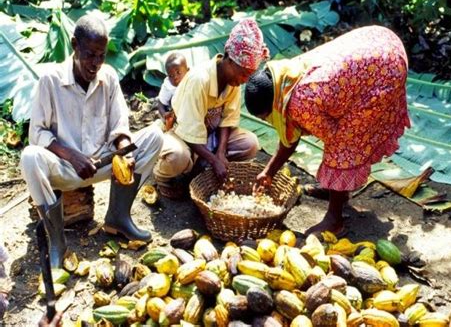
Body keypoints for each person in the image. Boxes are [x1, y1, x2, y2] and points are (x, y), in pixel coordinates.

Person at [20, 14, 164, 269]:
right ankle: (57, 243)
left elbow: (120, 126)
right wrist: (71, 155)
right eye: (89, 54)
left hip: (104, 161)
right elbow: (37, 133)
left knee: (154, 136)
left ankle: (118, 217)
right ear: (75, 45)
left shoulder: (107, 78)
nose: (96, 63)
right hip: (66, 167)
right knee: (30, 157)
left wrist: (124, 152)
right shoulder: (50, 80)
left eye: (101, 55)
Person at [245, 25, 410, 236]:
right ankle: (336, 190)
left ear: (272, 105)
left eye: (264, 117)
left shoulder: (300, 102)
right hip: (379, 42)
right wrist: (269, 172)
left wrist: (336, 172)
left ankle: (335, 218)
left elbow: (335, 142)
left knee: (342, 147)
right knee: (340, 144)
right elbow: (291, 133)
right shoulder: (284, 78)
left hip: (383, 70)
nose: (267, 121)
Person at [153, 19, 269, 189]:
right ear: (229, 60)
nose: (244, 81)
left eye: (248, 75)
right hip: (182, 135)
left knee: (250, 144)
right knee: (177, 157)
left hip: (209, 135)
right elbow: (189, 131)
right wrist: (214, 160)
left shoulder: (233, 81)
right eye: (243, 74)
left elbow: (227, 120)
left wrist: (220, 154)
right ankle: (161, 175)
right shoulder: (200, 80)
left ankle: (201, 164)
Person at [156, 53, 189, 130]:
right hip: (175, 114)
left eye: (178, 73)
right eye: (171, 75)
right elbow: (160, 103)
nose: (175, 77)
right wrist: (164, 114)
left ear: (187, 71)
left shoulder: (192, 80)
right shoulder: (168, 86)